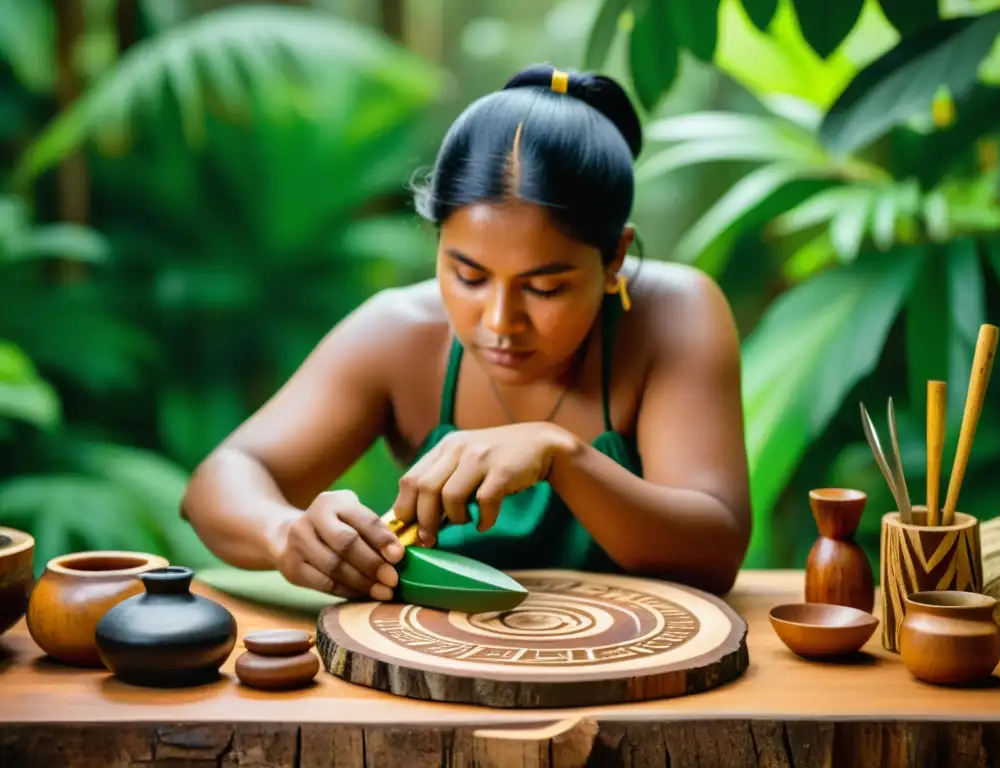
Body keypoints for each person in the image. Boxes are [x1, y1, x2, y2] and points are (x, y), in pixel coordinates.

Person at [181, 64, 752, 601]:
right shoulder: (400, 332)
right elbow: (218, 482)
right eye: (469, 275)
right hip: (424, 672)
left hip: (641, 676)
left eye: (545, 287)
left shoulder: (673, 315)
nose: (500, 321)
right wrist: (283, 533)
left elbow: (714, 552)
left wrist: (562, 456)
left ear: (614, 260)